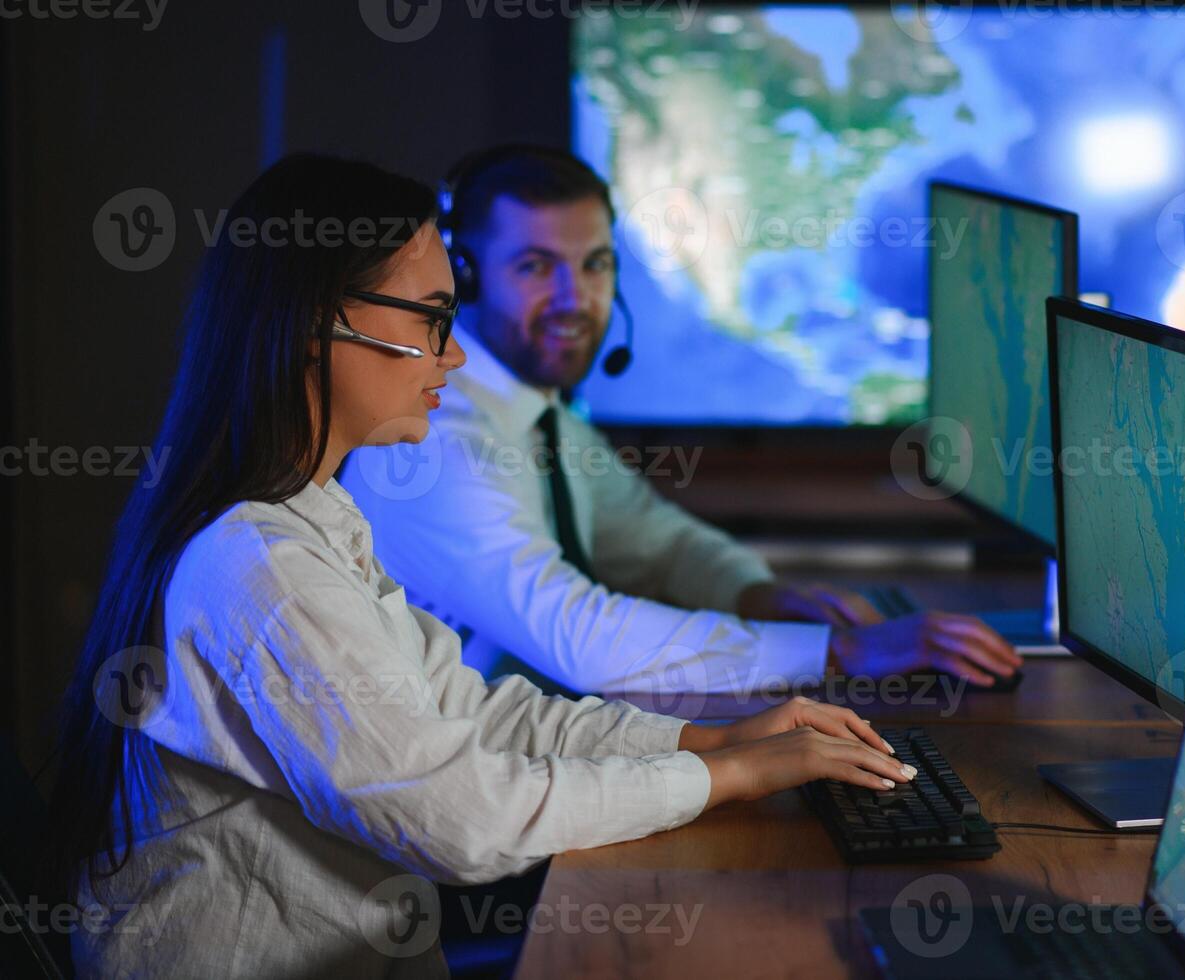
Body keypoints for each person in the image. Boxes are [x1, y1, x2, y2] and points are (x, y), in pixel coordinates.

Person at [44, 154, 911, 977]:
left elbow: (477, 713)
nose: (453, 356)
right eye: (430, 319)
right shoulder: (262, 569)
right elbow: (456, 818)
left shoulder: (316, 519)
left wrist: (714, 741)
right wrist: (733, 774)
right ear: (319, 325)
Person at [340, 145, 1022, 698]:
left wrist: (766, 596)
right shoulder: (436, 439)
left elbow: (651, 538)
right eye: (535, 267)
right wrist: (836, 650)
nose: (575, 299)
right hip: (466, 810)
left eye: (595, 264)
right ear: (469, 277)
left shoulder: (533, 412)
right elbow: (577, 636)